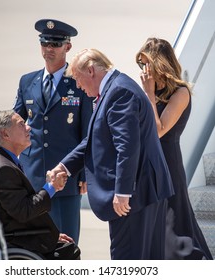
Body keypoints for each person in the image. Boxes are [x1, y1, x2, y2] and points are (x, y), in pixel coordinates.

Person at [49, 48, 175, 260]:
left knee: (128, 260)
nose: (78, 86)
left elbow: (127, 146)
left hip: (135, 195)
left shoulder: (119, 92)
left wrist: (123, 191)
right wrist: (64, 167)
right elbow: (93, 140)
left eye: (78, 79)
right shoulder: (114, 88)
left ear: (90, 71)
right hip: (142, 192)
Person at [13, 19, 93, 244]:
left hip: (66, 176)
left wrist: (84, 172)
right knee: (35, 241)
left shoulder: (78, 83)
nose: (49, 48)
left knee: (66, 242)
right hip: (33, 175)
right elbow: (15, 122)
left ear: (67, 47)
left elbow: (88, 131)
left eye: (55, 44)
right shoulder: (27, 81)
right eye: (45, 42)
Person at [135, 37, 213, 260]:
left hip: (167, 163)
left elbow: (158, 130)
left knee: (176, 223)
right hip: (146, 163)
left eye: (146, 64)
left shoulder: (180, 93)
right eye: (141, 65)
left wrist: (148, 93)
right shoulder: (150, 92)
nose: (143, 70)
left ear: (160, 63)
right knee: (151, 225)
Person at [0, 110, 80, 260]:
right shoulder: (2, 169)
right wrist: (52, 187)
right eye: (21, 124)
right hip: (14, 241)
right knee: (70, 252)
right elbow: (25, 211)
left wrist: (49, 234)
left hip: (13, 235)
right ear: (5, 134)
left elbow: (15, 212)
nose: (29, 127)